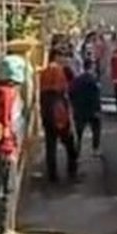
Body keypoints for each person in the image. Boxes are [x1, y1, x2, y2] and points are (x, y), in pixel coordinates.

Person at [0, 56, 26, 234]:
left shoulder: (6, 92)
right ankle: (1, 230)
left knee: (8, 188)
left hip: (8, 146)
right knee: (5, 188)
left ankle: (6, 228)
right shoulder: (6, 94)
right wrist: (11, 145)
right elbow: (6, 122)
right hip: (6, 148)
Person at [38, 50, 78, 183]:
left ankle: (52, 175)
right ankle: (72, 171)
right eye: (62, 56)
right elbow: (64, 90)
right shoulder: (59, 71)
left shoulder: (44, 73)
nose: (64, 59)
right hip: (58, 110)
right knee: (69, 143)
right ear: (56, 57)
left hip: (46, 110)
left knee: (51, 145)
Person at [69, 66, 103, 155]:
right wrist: (98, 109)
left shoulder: (77, 80)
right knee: (96, 129)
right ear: (92, 68)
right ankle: (95, 149)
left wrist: (74, 105)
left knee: (79, 131)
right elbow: (96, 96)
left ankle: (77, 148)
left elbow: (71, 93)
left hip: (79, 109)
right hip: (92, 109)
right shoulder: (94, 81)